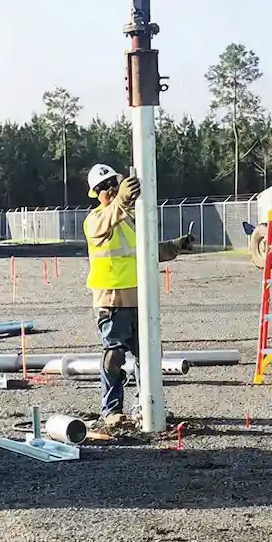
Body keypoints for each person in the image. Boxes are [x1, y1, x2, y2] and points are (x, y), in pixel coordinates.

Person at [83, 162, 193, 434]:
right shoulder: (94, 220)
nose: (108, 190)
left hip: (140, 299)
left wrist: (174, 247)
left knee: (148, 356)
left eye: (112, 184)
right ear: (95, 194)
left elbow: (145, 250)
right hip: (111, 301)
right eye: (102, 188)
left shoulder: (130, 219)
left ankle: (147, 405)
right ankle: (112, 411)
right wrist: (119, 199)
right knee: (114, 357)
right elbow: (107, 219)